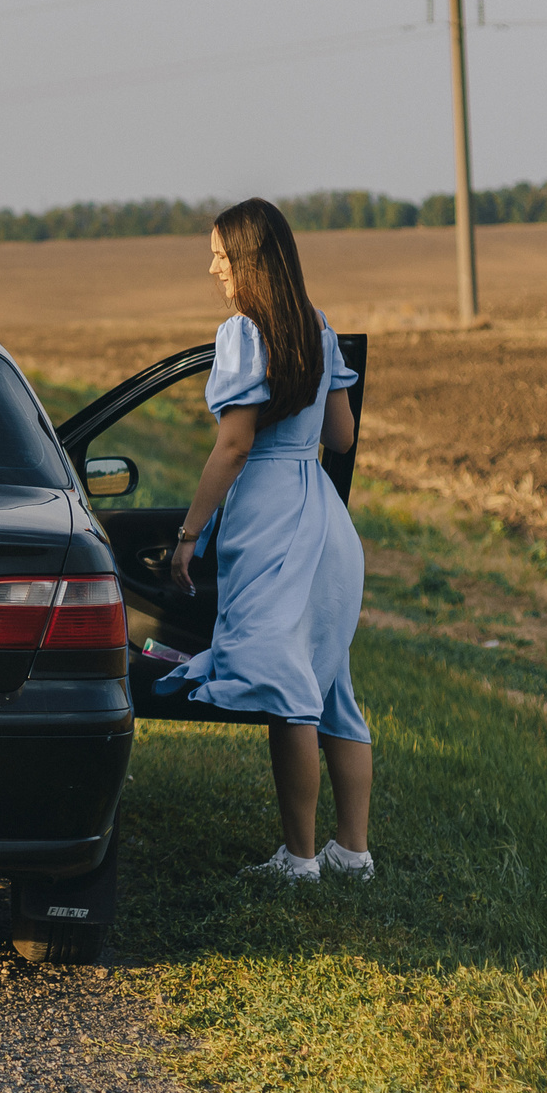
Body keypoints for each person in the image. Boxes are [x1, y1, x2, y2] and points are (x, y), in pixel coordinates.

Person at [162, 197, 374, 883]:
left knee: (289, 694)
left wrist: (188, 534)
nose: (214, 267)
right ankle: (354, 851)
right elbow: (340, 437)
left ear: (251, 261)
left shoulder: (243, 333)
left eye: (222, 255)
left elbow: (232, 444)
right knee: (332, 684)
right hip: (327, 518)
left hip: (272, 516)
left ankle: (300, 859)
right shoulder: (318, 328)